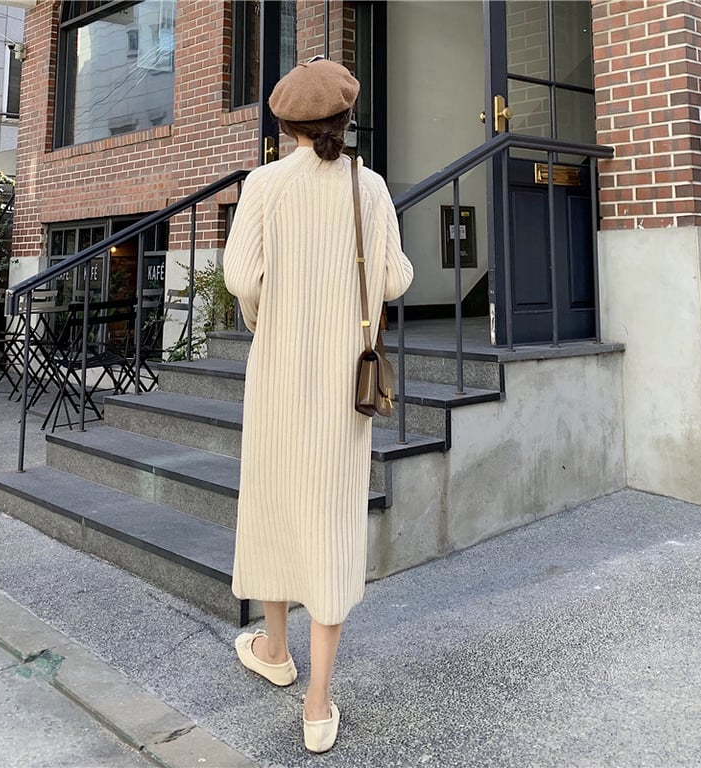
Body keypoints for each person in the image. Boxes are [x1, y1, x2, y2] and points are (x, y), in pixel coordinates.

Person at [223, 57, 413, 753]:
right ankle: (318, 701)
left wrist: (268, 309)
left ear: (286, 126)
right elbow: (394, 279)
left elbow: (241, 276)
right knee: (331, 518)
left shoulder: (263, 184)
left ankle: (275, 648)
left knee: (273, 500)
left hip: (278, 373)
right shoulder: (370, 186)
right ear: (345, 118)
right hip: (340, 383)